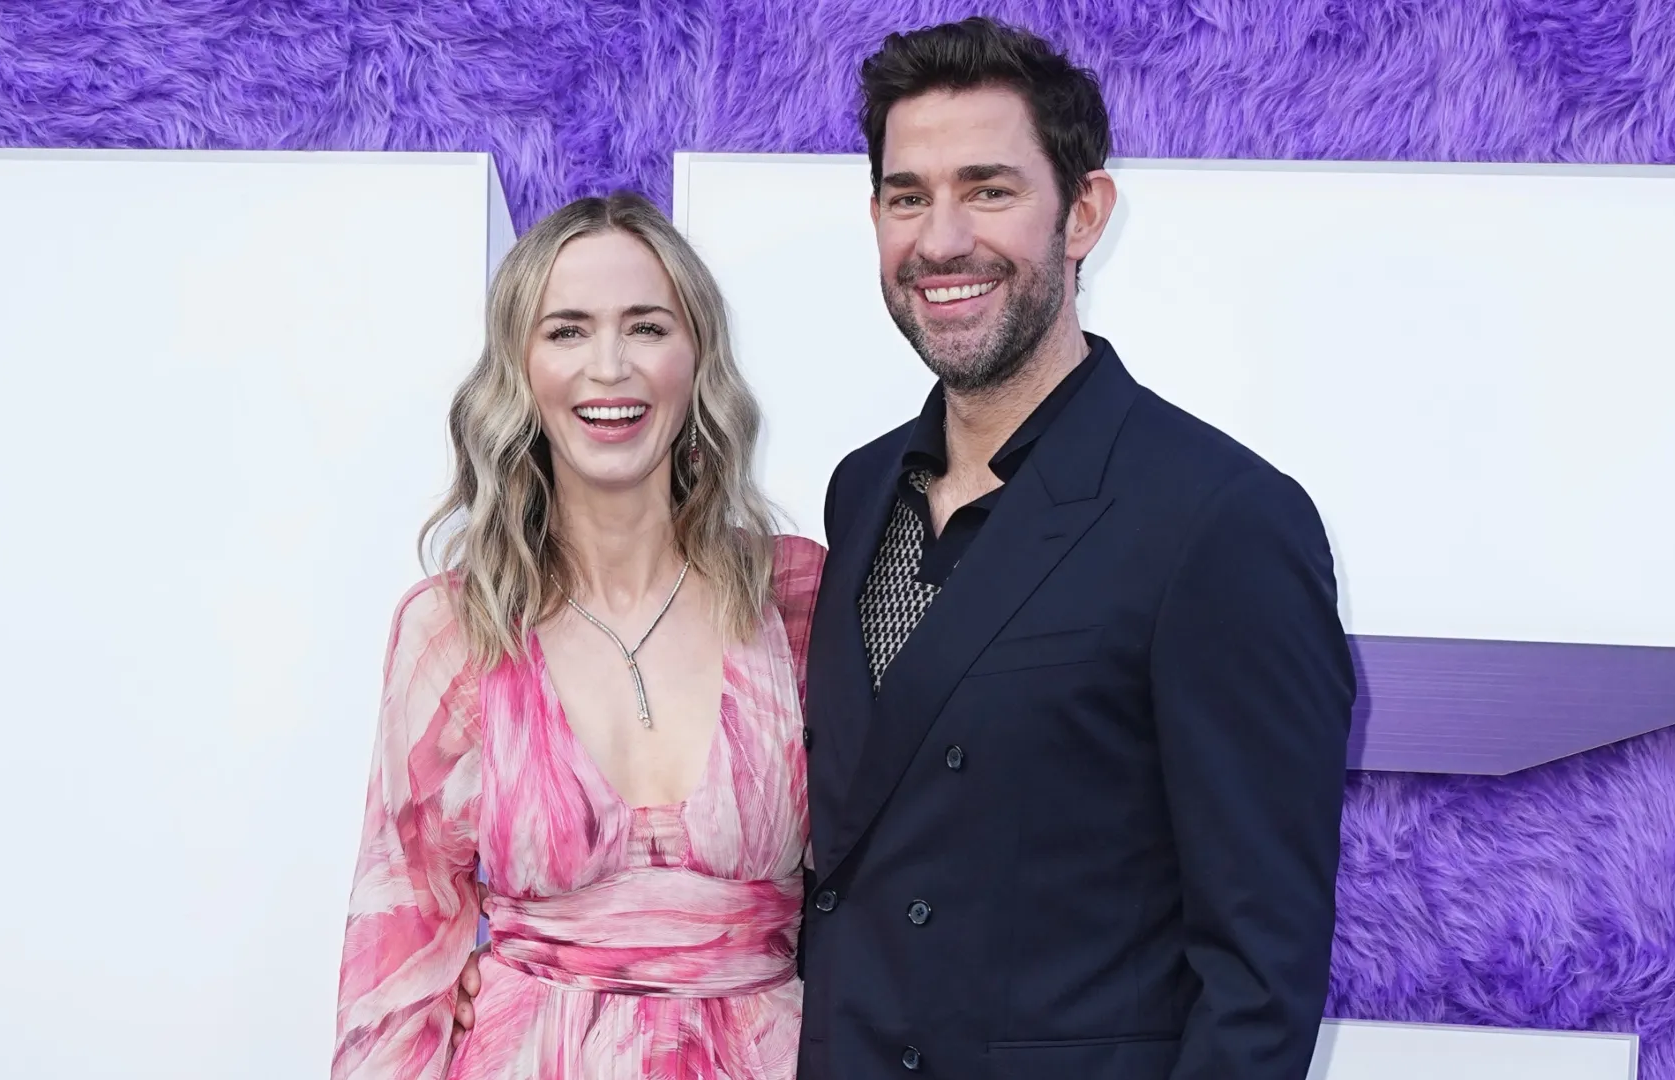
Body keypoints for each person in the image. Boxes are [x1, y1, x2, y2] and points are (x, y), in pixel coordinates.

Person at [455, 17, 1356, 1079]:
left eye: (989, 189)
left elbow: (1261, 975)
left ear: (1085, 213)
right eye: (906, 196)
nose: (941, 241)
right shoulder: (863, 493)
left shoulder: (1219, 521)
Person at [332, 192, 824, 1080]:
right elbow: (398, 956)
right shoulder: (453, 627)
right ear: (519, 370)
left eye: (645, 327)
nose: (609, 366)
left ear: (698, 355)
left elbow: (895, 888)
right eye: (566, 331)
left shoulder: (794, 595)